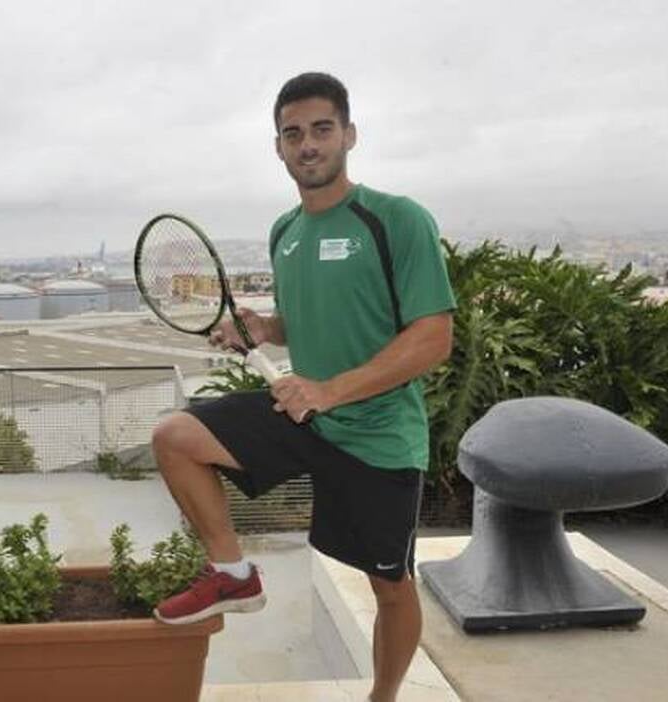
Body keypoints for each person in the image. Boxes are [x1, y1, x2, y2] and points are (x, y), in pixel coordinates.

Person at [150, 72, 457, 702]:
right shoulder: (285, 232)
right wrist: (264, 328)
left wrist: (330, 391)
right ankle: (233, 572)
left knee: (390, 585)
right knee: (176, 437)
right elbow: (305, 321)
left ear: (349, 134)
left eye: (321, 129)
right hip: (306, 417)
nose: (308, 144)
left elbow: (433, 337)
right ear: (278, 147)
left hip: (378, 435)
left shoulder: (395, 219)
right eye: (293, 134)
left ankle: (383, 697)